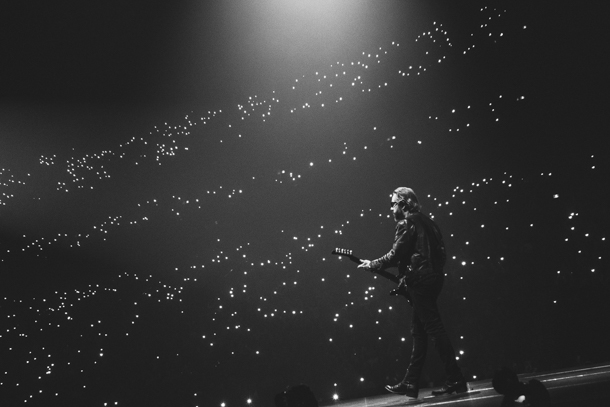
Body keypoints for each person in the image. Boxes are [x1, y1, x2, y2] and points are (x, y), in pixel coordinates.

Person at [357, 187, 467, 399]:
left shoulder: (406, 223)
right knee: (419, 331)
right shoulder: (430, 223)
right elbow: (441, 253)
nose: (390, 208)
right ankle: (411, 383)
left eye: (393, 203)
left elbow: (396, 255)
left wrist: (373, 264)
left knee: (433, 328)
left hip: (420, 279)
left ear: (404, 203)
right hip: (434, 277)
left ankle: (455, 378)